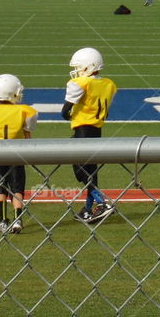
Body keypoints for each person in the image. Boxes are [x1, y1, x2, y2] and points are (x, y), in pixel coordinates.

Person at [62, 48, 117, 224]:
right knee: (91, 171)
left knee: (81, 170)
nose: (77, 70)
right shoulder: (109, 84)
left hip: (82, 131)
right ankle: (88, 208)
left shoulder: (80, 83)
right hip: (97, 130)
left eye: (79, 67)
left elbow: (65, 111)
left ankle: (102, 203)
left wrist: (69, 115)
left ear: (88, 66)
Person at [0, 73, 38, 234]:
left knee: (0, 187)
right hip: (17, 153)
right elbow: (27, 134)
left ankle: (3, 220)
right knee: (17, 188)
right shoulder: (25, 111)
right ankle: (18, 220)